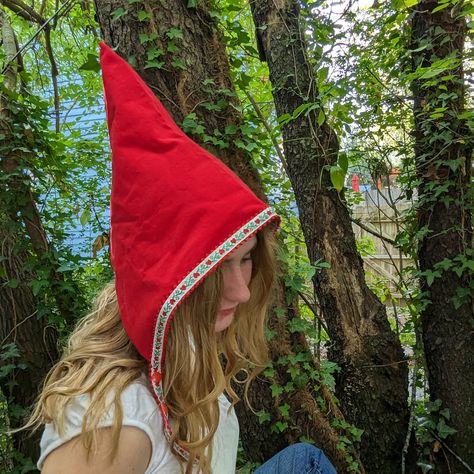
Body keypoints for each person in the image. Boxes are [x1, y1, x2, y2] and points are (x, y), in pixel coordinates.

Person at [26, 42, 337, 474]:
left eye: (246, 259)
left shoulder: (179, 342)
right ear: (171, 279)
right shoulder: (120, 420)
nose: (242, 290)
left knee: (306, 460)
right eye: (215, 269)